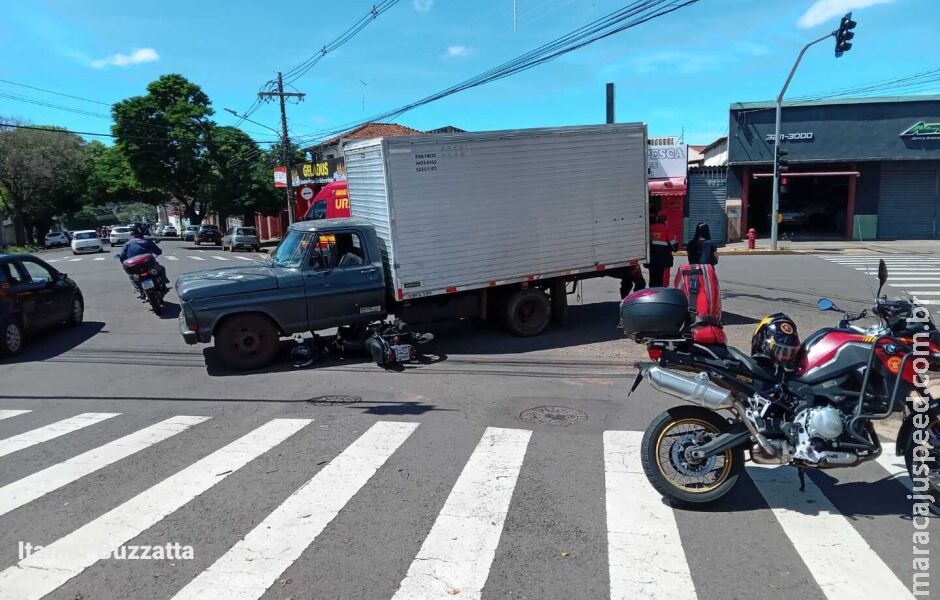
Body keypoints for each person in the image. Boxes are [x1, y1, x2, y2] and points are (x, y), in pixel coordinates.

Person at [648, 213, 677, 287]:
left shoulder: (650, 227)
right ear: (666, 221)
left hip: (651, 258)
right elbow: (673, 243)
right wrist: (675, 248)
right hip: (663, 259)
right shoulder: (667, 229)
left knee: (652, 277)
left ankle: (652, 292)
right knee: (662, 280)